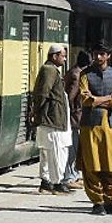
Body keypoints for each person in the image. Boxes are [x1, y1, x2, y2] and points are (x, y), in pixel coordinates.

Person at [79, 40, 112, 215]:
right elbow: (85, 99)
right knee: (92, 166)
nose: (98, 57)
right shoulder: (85, 74)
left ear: (108, 56)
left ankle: (110, 201)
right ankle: (97, 202)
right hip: (90, 126)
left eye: (102, 54)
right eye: (95, 54)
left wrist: (97, 100)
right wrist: (108, 98)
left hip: (111, 126)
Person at [32, 45, 72, 195]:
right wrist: (37, 112)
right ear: (55, 56)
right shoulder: (49, 70)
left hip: (51, 119)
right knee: (56, 152)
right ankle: (56, 183)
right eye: (63, 56)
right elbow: (43, 93)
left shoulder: (51, 69)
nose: (65, 59)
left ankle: (47, 182)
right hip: (52, 119)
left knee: (48, 151)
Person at [60, 51, 89, 189]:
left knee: (76, 147)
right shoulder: (77, 75)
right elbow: (70, 97)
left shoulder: (75, 72)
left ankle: (75, 175)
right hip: (74, 117)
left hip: (75, 116)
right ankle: (69, 177)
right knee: (72, 147)